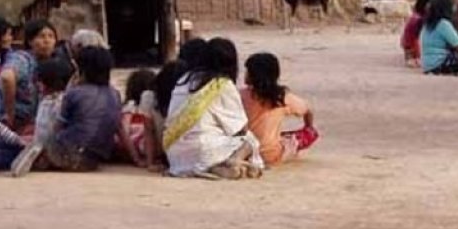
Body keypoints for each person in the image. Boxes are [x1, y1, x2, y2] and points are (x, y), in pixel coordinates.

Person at [164, 38, 264, 179]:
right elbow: (241, 128)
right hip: (205, 150)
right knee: (250, 140)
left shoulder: (184, 80)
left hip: (176, 157)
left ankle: (215, 168)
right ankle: (234, 161)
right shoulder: (222, 85)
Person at [43, 46, 126, 171]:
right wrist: (138, 159)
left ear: (81, 70)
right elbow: (120, 129)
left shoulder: (74, 93)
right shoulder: (115, 94)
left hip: (66, 154)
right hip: (94, 160)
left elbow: (57, 126)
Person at [241, 52, 318, 167]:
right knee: (302, 135)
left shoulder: (241, 95)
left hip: (245, 153)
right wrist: (308, 126)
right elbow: (308, 110)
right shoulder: (281, 97)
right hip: (271, 154)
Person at [0, 19, 58, 132]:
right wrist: (10, 114)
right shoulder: (22, 59)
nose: (47, 41)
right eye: (41, 37)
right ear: (30, 41)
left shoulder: (50, 64)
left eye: (51, 36)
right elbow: (7, 77)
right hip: (7, 129)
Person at [11, 57, 73, 177]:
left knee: (13, 147)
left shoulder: (45, 101)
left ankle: (35, 151)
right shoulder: (66, 100)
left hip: (44, 144)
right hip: (57, 146)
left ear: (42, 83)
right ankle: (37, 151)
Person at [121, 68, 164, 170]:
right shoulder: (151, 107)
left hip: (128, 147)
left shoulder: (128, 107)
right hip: (143, 147)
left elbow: (124, 129)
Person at [400, 0, 432, 67]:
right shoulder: (417, 19)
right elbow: (414, 40)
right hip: (413, 52)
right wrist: (417, 56)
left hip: (411, 50)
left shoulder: (416, 16)